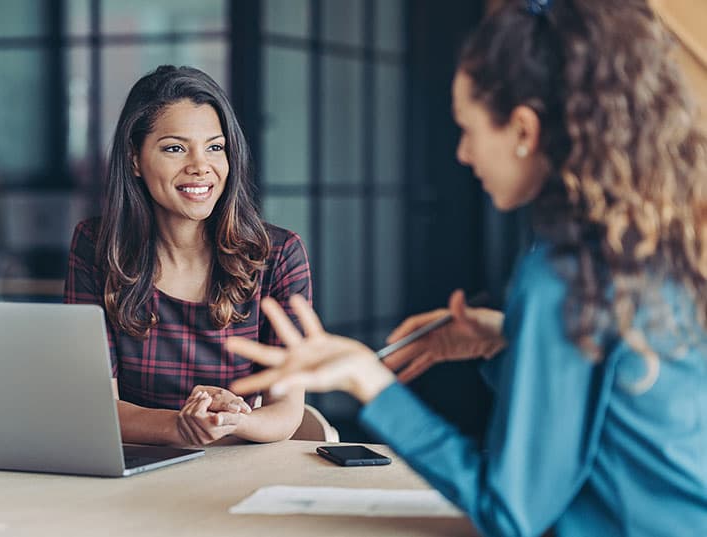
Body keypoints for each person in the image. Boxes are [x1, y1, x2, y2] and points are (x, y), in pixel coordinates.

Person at [227, 1, 707, 535]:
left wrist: (367, 381)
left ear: (523, 128)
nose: (462, 152)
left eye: (468, 128)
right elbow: (621, 409)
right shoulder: (650, 240)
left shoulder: (564, 273)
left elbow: (509, 511)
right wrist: (510, 342)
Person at [65, 66, 311, 447]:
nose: (201, 166)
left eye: (215, 147)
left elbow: (286, 411)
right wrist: (179, 427)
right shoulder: (97, 247)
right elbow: (95, 406)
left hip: (234, 464)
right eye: (175, 148)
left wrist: (228, 419)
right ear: (134, 159)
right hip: (133, 465)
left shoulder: (277, 255)